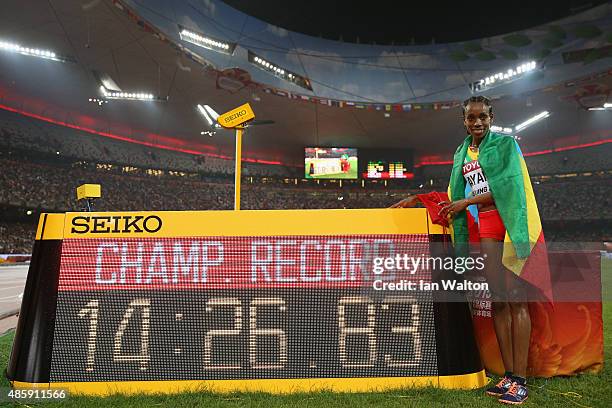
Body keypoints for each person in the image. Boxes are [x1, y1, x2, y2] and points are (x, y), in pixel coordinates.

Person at [394, 95, 544, 405]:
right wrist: (418, 199)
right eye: (471, 118)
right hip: (485, 225)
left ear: (492, 117)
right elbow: (453, 195)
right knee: (499, 301)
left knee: (517, 301)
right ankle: (508, 376)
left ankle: (521, 380)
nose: (477, 122)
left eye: (483, 117)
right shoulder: (461, 152)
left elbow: (508, 186)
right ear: (463, 121)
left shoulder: (505, 145)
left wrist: (467, 202)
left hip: (509, 222)